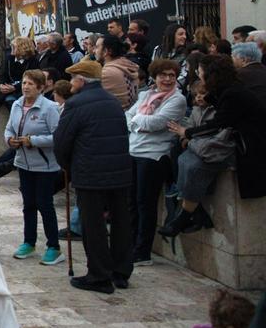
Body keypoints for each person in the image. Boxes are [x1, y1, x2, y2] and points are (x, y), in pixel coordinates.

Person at [161, 55, 266, 236]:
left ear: (210, 74)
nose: (198, 74)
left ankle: (185, 215)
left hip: (247, 147)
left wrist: (186, 133)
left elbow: (218, 123)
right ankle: (195, 211)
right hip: (231, 141)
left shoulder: (233, 93)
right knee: (182, 158)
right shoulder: (226, 91)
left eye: (200, 71)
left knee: (195, 165)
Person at [55, 59, 134, 293]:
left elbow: (62, 142)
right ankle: (121, 272)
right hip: (119, 171)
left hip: (90, 172)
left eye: (72, 79)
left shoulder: (75, 104)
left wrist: (67, 166)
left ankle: (99, 275)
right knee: (120, 222)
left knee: (93, 225)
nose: (70, 83)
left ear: (81, 81)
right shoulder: (113, 101)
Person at [126, 58, 187, 265]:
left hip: (155, 156)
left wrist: (136, 122)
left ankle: (143, 251)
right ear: (155, 76)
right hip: (133, 151)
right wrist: (138, 123)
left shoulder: (177, 100)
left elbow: (157, 123)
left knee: (146, 203)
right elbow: (127, 116)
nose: (168, 79)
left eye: (172, 75)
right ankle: (131, 244)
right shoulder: (146, 94)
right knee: (132, 202)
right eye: (163, 75)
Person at [4, 70, 63, 265]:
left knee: (44, 204)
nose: (25, 86)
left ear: (40, 87)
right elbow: (9, 128)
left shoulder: (49, 108)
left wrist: (34, 141)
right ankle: (29, 241)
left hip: (44, 165)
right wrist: (9, 139)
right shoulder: (16, 104)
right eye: (24, 82)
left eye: (30, 83)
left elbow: (58, 136)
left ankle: (53, 246)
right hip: (23, 162)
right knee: (28, 204)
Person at [96, 34, 140, 110]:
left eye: (96, 47)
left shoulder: (107, 72)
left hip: (114, 117)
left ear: (106, 51)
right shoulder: (126, 66)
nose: (94, 51)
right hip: (128, 115)